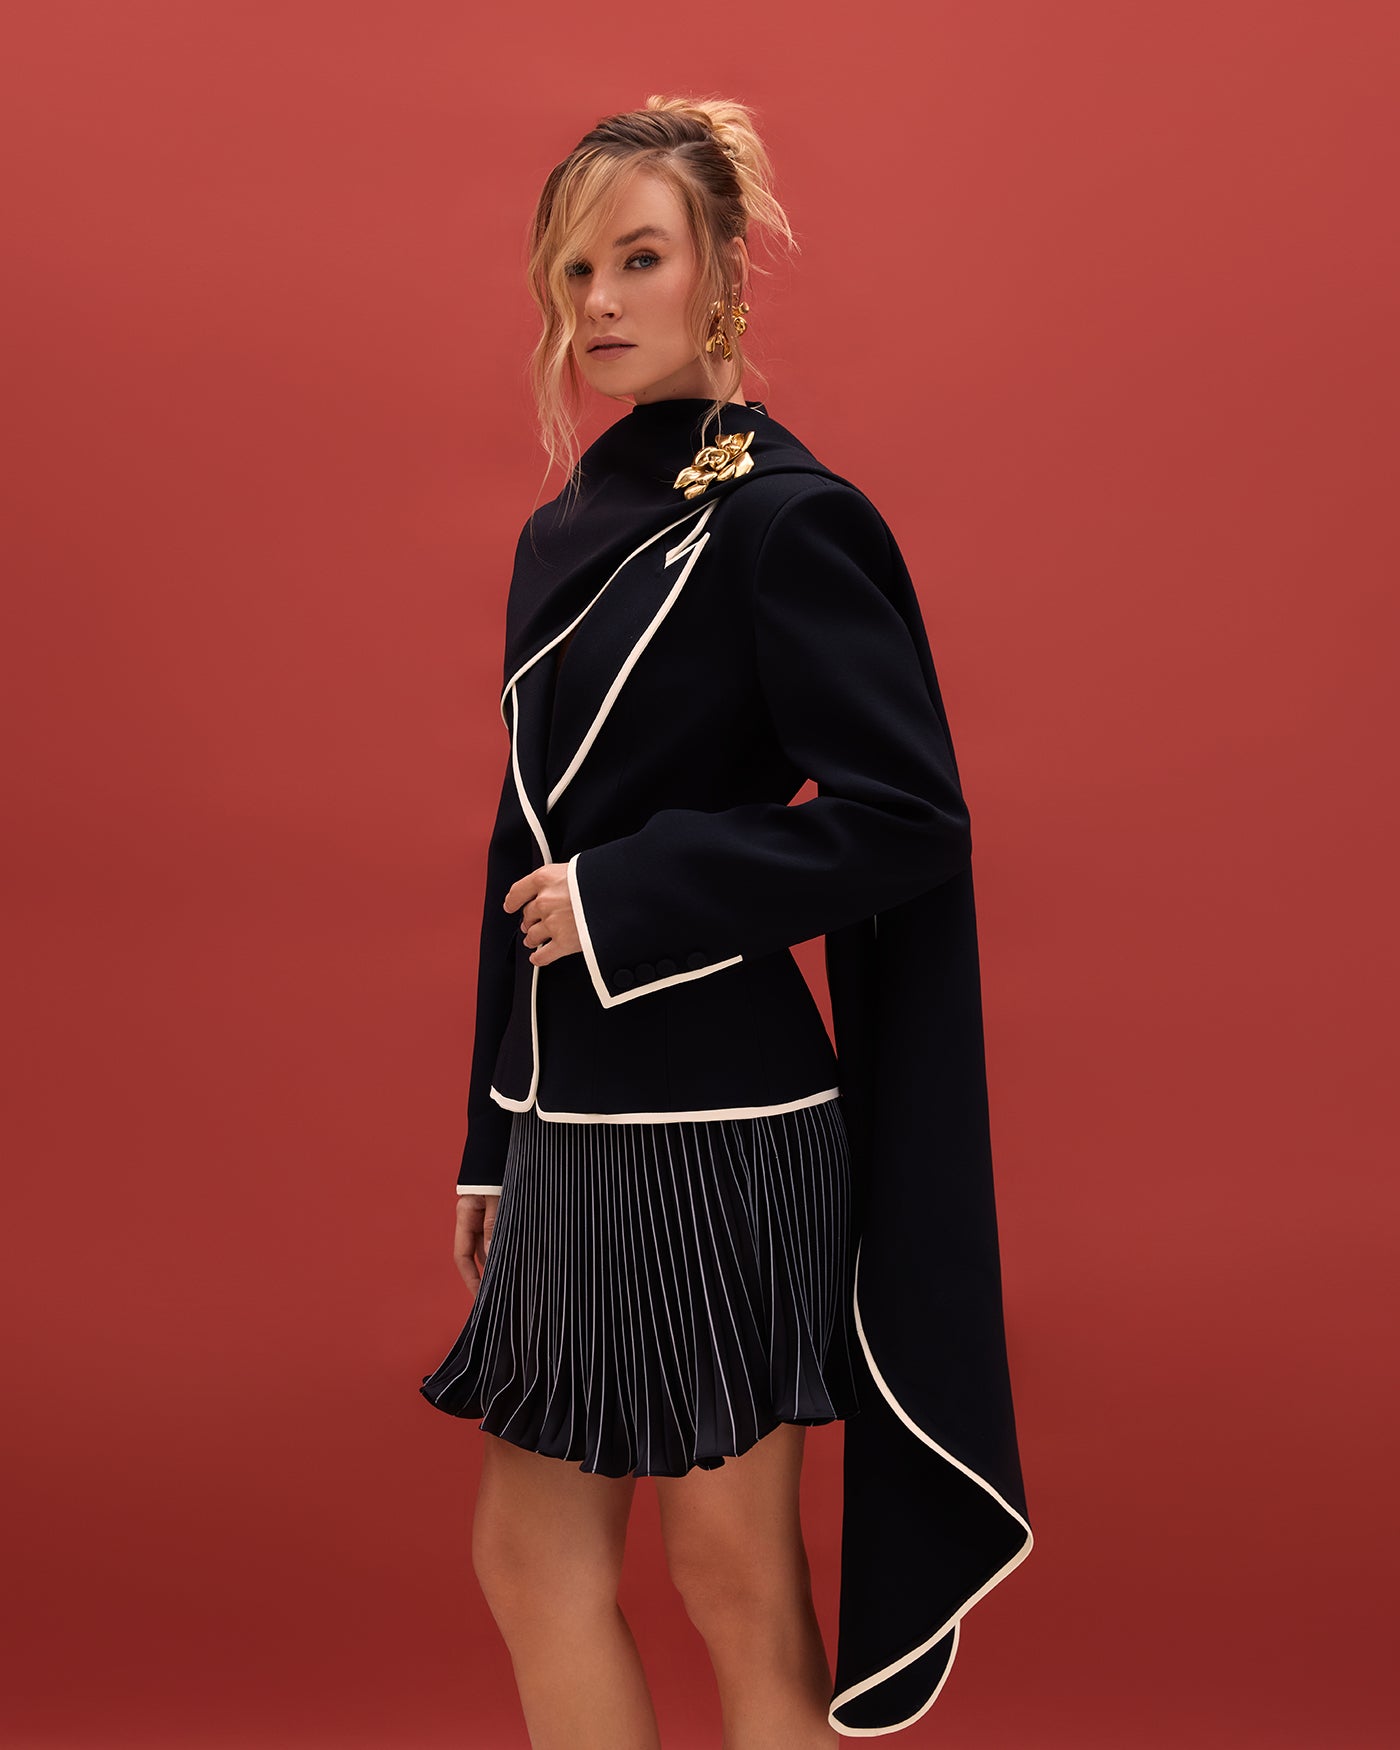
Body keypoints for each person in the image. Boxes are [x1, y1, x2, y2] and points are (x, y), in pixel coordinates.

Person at [419, 94, 1033, 1745]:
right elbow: (524, 837)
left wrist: (631, 894)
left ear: (721, 276)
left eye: (639, 258)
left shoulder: (784, 516)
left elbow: (907, 817)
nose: (600, 302)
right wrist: (492, 1129)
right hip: (570, 1118)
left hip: (723, 1122)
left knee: (733, 1574)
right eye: (575, 271)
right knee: (529, 1557)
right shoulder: (565, 526)